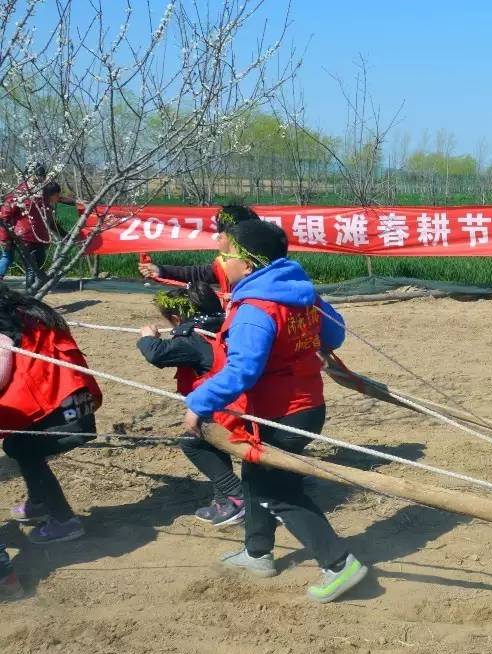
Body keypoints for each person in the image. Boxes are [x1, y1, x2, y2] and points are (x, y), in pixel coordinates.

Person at [183, 219, 367, 603]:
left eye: (225, 253)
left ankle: (339, 563)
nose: (220, 260)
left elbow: (242, 371)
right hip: (307, 405)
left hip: (280, 414)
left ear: (247, 264)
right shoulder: (301, 292)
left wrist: (198, 403)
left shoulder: (255, 307)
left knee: (275, 490)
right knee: (255, 476)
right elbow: (334, 334)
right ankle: (257, 552)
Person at [0, 285, 102, 556]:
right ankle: (38, 502)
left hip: (62, 416)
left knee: (20, 448)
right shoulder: (31, 314)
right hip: (79, 408)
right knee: (19, 441)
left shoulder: (4, 332)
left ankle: (64, 520)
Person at [136, 283, 245, 526]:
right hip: (241, 397)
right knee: (210, 443)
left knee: (193, 443)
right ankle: (222, 501)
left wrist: (147, 339)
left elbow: (157, 355)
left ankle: (236, 497)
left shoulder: (192, 338)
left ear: (176, 318)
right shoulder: (225, 324)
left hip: (231, 407)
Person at [139, 204, 259, 296]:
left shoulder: (262, 268)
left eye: (221, 235)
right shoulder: (223, 264)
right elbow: (198, 273)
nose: (217, 238)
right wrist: (161, 270)